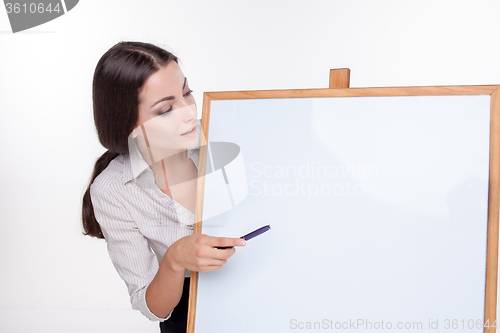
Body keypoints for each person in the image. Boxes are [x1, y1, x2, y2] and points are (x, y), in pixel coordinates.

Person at [81, 41, 246, 333]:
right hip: (186, 312)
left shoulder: (227, 135)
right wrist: (174, 260)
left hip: (256, 284)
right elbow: (154, 308)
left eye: (187, 93)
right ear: (129, 125)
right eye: (166, 108)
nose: (188, 112)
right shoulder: (112, 190)